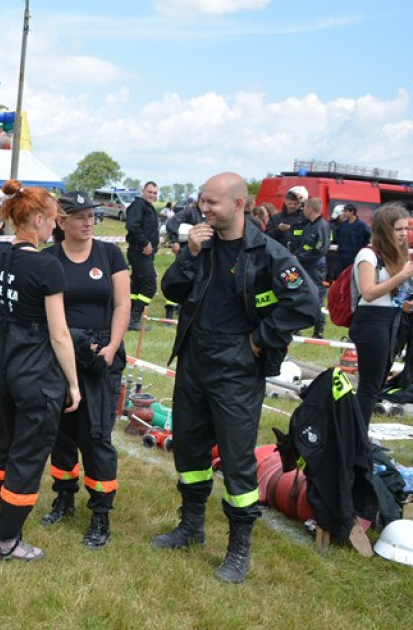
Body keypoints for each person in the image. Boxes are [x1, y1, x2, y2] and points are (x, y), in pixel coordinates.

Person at [154, 172, 319, 584]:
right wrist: (189, 252)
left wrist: (261, 340)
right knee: (190, 450)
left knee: (236, 460)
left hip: (237, 368)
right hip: (195, 360)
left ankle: (238, 549)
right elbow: (171, 290)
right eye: (202, 201)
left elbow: (305, 303)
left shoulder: (267, 252)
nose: (203, 209)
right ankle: (191, 527)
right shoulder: (200, 244)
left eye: (212, 202)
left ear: (239, 205)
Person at [0, 179, 81, 561]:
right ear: (39, 219)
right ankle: (7, 540)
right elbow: (60, 334)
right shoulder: (47, 265)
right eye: (54, 220)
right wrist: (73, 384)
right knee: (27, 455)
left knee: (1, 440)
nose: (56, 227)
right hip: (33, 367)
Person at [40, 191, 130, 549]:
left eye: (91, 215)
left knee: (96, 437)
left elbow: (123, 303)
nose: (89, 221)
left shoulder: (109, 254)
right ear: (61, 222)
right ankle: (64, 497)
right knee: (60, 432)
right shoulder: (50, 259)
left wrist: (111, 347)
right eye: (79, 216)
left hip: (100, 356)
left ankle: (100, 514)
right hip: (60, 354)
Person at [349, 204, 413, 428]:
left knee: (376, 386)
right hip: (371, 322)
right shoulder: (368, 254)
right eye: (398, 229)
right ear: (385, 229)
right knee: (369, 386)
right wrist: (402, 275)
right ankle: (356, 440)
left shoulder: (397, 254)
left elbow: (393, 294)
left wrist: (406, 303)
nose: (404, 234)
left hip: (392, 321)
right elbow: (368, 292)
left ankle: (359, 438)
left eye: (406, 228)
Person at [124, 181, 160, 330]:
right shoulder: (138, 205)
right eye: (149, 192)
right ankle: (135, 319)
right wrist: (145, 242)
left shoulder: (149, 207)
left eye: (155, 193)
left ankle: (128, 318)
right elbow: (132, 225)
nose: (152, 195)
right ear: (142, 191)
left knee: (137, 286)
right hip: (139, 252)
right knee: (150, 286)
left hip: (146, 253)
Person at [296, 197, 330, 338]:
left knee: (317, 297)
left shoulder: (321, 226)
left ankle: (319, 330)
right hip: (305, 266)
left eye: (305, 208)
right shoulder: (309, 225)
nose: (303, 211)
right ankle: (297, 327)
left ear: (310, 209)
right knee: (300, 295)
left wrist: (301, 257)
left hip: (315, 268)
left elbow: (320, 249)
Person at [266, 186, 307, 253]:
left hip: (298, 254)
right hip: (279, 253)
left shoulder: (304, 218)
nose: (292, 206)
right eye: (290, 203)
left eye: (295, 204)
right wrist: (279, 229)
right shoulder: (276, 218)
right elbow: (267, 236)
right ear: (285, 202)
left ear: (299, 204)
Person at [337, 203, 372, 271]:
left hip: (354, 257)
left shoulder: (361, 225)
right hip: (342, 257)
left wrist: (361, 246)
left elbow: (368, 235)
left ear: (352, 212)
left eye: (345, 211)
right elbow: (338, 235)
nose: (344, 213)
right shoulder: (344, 224)